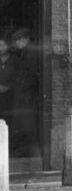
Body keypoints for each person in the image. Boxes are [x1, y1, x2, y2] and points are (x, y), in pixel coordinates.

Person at [11, 27, 39, 157]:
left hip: (28, 97)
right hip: (25, 96)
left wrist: (23, 87)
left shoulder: (30, 54)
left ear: (25, 39)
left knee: (29, 128)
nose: (16, 44)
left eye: (18, 41)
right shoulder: (25, 53)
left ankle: (35, 158)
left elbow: (31, 76)